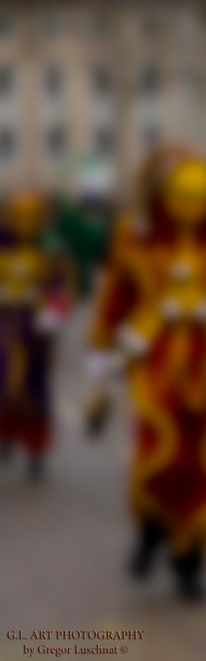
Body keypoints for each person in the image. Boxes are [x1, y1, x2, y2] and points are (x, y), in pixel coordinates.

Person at [87, 146, 206, 601]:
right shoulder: (134, 238)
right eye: (182, 195)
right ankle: (152, 528)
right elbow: (115, 299)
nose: (192, 206)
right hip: (155, 366)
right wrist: (101, 355)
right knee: (158, 455)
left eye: (202, 196)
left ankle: (190, 560)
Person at [0, 191, 69, 480]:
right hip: (3, 325)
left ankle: (35, 448)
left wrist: (51, 317)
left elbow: (60, 287)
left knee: (35, 388)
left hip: (34, 330)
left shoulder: (50, 250)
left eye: (31, 217)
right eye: (20, 217)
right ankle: (5, 434)